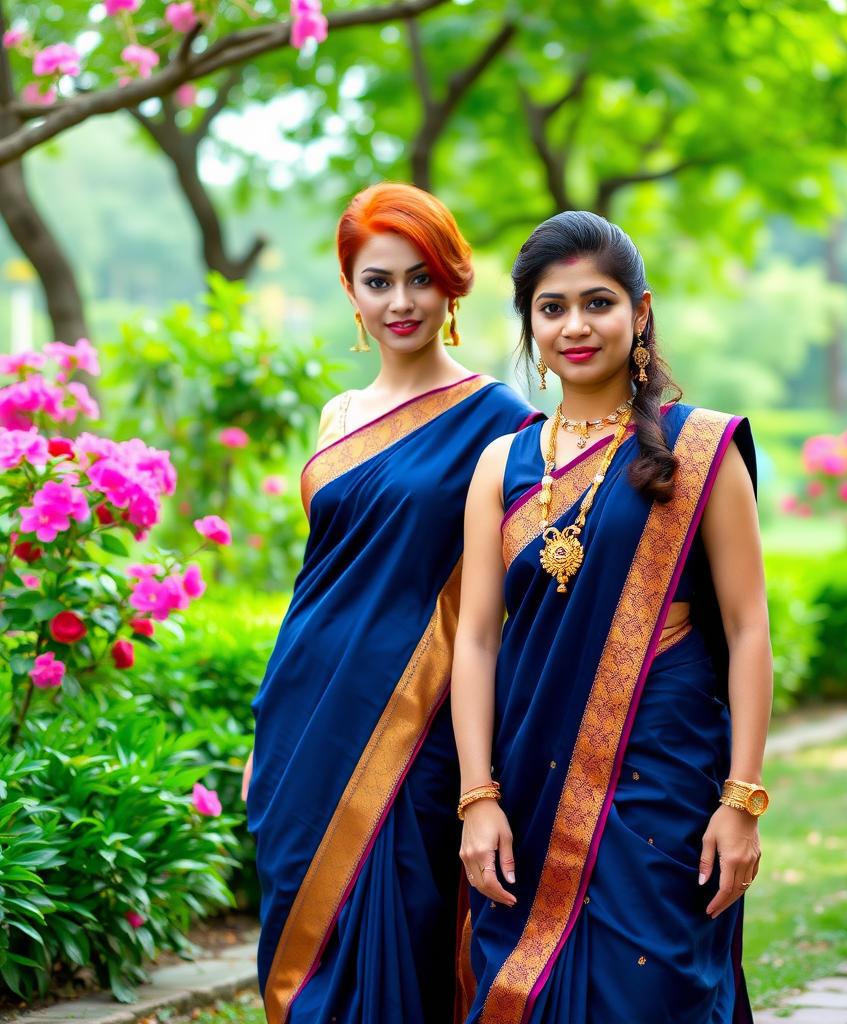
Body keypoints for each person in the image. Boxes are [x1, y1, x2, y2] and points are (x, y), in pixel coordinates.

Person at [451, 210, 772, 1023]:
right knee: (530, 985)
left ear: (641, 311)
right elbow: (478, 638)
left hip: (662, 771)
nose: (575, 325)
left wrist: (741, 801)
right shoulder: (503, 462)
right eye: (551, 307)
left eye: (598, 302)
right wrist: (478, 795)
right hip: (528, 776)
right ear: (528, 322)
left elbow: (746, 628)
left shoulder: (700, 450)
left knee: (655, 982)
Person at [244, 182, 539, 1024]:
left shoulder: (504, 423)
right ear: (350, 292)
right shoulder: (340, 415)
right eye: (378, 282)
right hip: (304, 719)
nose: (400, 301)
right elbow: (316, 580)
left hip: (418, 732)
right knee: (299, 948)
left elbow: (511, 604)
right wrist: (267, 726)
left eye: (420, 278)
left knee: (401, 942)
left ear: (452, 284)